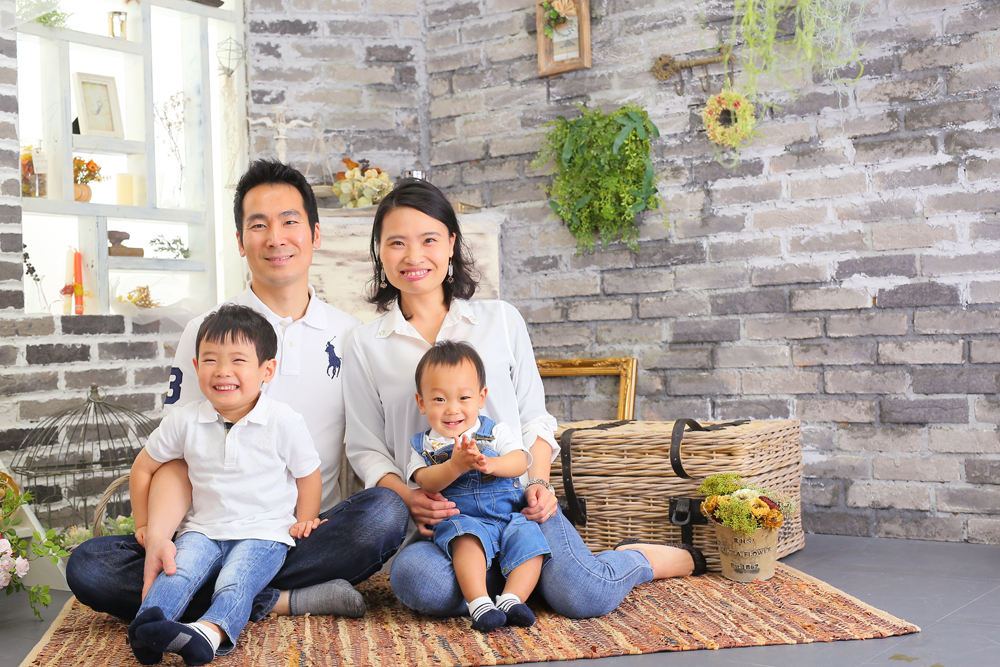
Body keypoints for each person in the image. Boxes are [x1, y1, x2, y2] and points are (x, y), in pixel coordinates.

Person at [344, 178, 706, 622]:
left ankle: (636, 559)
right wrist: (410, 497)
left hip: (517, 504)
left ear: (452, 243)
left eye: (429, 240)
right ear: (380, 251)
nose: (413, 256)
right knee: (418, 582)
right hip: (445, 519)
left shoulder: (500, 320)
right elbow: (366, 448)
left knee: (584, 596)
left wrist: (539, 484)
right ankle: (515, 587)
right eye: (397, 242)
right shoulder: (365, 343)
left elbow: (535, 418)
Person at [67, 160, 409, 625]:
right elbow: (175, 457)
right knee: (90, 566)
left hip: (300, 537)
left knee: (384, 514)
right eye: (259, 225)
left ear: (315, 234)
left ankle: (207, 596)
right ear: (240, 240)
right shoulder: (206, 333)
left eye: (289, 222)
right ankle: (280, 599)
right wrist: (159, 536)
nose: (275, 238)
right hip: (206, 537)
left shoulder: (352, 336)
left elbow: (369, 445)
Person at [128, 304, 326, 665]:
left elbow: (308, 474)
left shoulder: (283, 420)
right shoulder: (184, 421)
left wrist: (305, 519)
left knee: (236, 581)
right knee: (175, 570)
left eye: (238, 360)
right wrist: (144, 524)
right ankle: (147, 628)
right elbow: (143, 468)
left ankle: (209, 632)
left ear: (267, 370)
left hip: (264, 533)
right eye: (210, 360)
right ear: (195, 366)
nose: (222, 371)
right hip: (202, 530)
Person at [409, 341, 549, 631]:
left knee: (531, 540)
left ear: (481, 397)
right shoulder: (425, 445)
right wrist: (455, 466)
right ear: (421, 402)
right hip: (463, 520)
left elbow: (520, 461)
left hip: (509, 515)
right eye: (439, 399)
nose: (452, 409)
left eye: (463, 397)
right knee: (466, 541)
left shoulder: (494, 431)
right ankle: (480, 604)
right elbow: (425, 481)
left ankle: (512, 599)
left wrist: (492, 464)